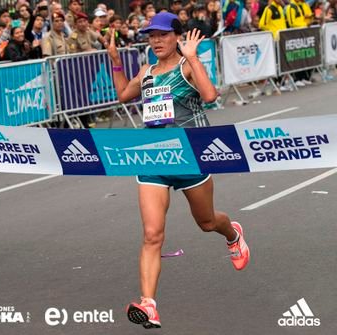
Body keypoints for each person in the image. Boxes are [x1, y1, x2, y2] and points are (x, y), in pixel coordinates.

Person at [106, 12, 250, 329]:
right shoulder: (146, 72)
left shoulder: (186, 67)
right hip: (154, 158)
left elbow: (210, 96)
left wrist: (193, 58)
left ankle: (233, 233)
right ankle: (149, 305)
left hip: (190, 157)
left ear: (176, 36)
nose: (155, 41)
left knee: (207, 221)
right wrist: (114, 60)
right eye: (151, 36)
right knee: (152, 234)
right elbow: (123, 95)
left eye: (162, 35)